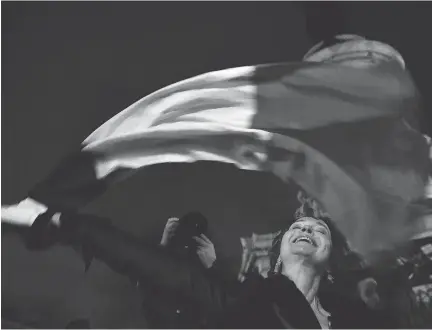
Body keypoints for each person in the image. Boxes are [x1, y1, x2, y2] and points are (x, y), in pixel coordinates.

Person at [2, 190, 390, 329]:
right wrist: (63, 221)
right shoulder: (248, 303)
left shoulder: (356, 318)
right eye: (297, 228)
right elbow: (154, 269)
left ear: (332, 259)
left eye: (318, 230)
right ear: (277, 254)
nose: (307, 230)